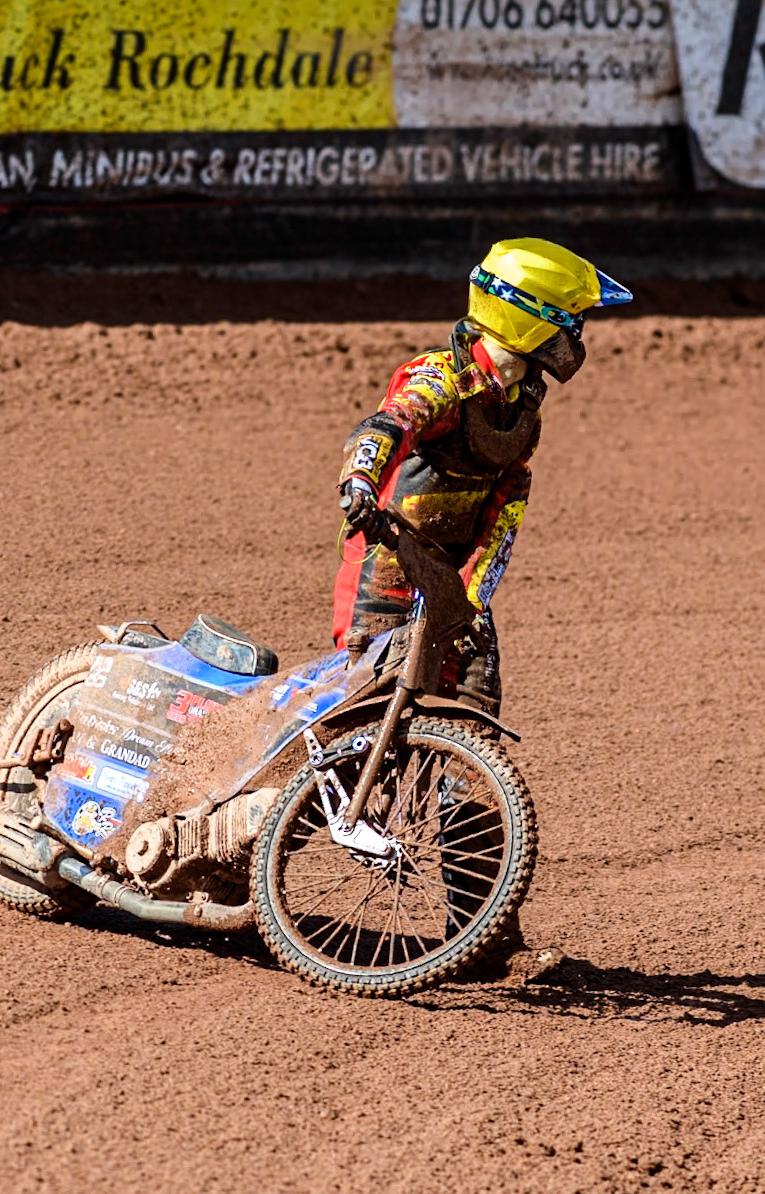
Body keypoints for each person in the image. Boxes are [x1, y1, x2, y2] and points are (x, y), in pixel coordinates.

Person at [331, 237, 631, 981]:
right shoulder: (445, 379)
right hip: (389, 574)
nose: (577, 339)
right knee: (362, 736)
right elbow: (386, 425)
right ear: (529, 318)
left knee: (474, 756)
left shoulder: (520, 402)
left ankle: (483, 938)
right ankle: (256, 863)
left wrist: (474, 597)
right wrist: (360, 483)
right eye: (571, 320)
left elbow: (508, 505)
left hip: (453, 590)